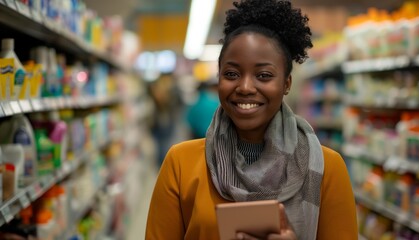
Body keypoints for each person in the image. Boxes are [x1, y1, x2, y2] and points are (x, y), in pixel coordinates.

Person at [146, 0, 357, 239]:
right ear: (219, 79)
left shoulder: (327, 168)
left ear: (286, 83)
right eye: (232, 74)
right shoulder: (181, 164)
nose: (245, 87)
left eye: (264, 75)